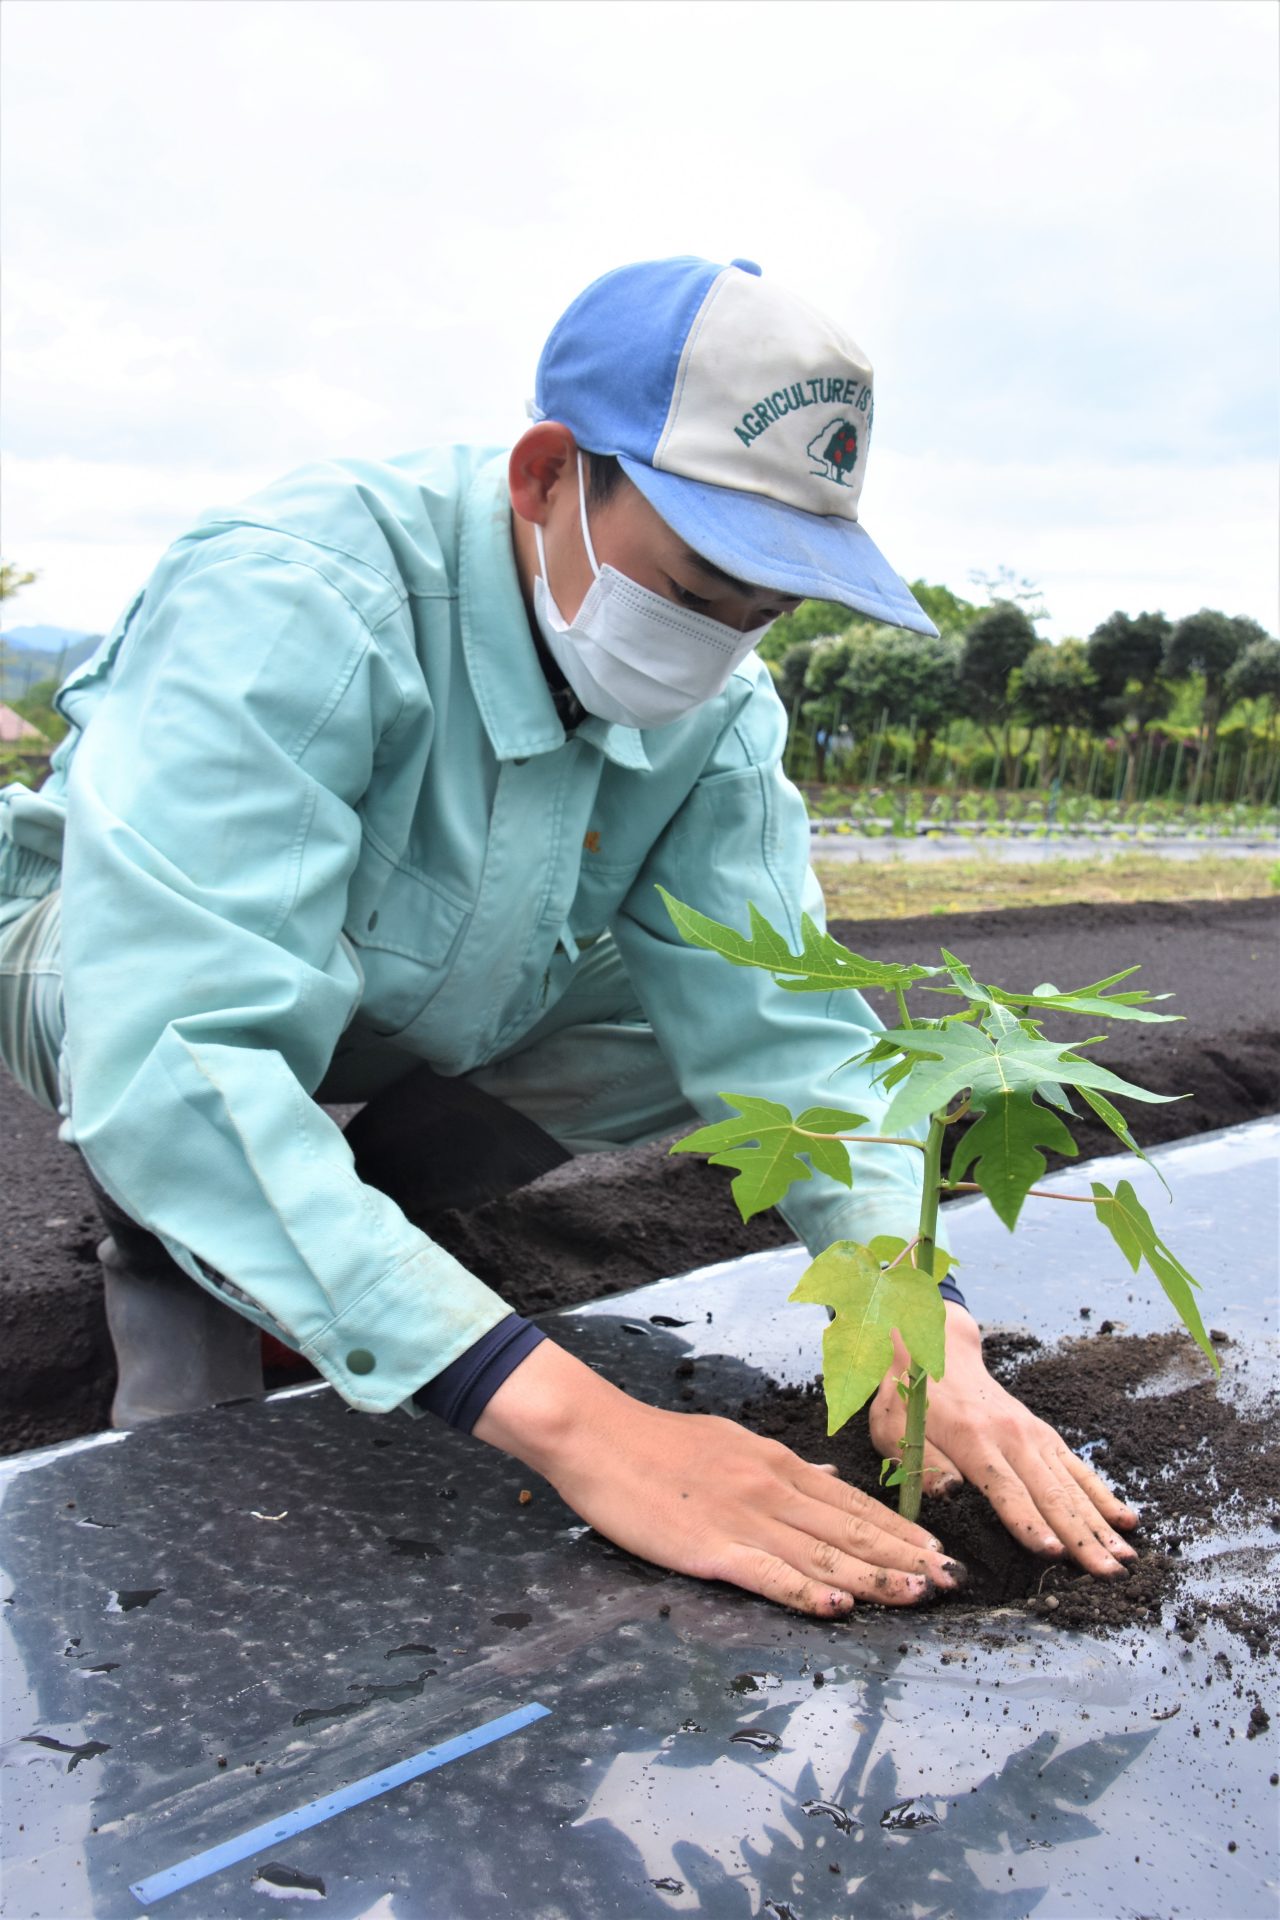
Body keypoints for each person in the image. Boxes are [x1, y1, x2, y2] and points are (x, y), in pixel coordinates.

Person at [0, 256, 1138, 1617]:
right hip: (124, 962)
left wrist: (908, 1316)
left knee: (676, 1021)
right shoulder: (297, 596)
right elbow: (177, 1043)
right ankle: (181, 1242)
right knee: (172, 1069)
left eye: (763, 611)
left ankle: (372, 1215)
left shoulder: (718, 713)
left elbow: (792, 1031)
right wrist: (600, 1436)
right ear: (549, 477)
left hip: (427, 973)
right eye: (695, 582)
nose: (717, 648)